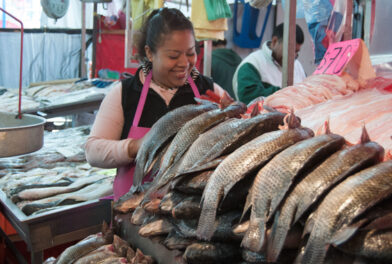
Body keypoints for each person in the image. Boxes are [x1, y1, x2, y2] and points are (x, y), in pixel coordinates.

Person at [85, 8, 227, 200]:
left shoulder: (209, 90)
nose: (185, 63)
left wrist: (233, 117)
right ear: (149, 53)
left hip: (190, 210)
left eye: (190, 53)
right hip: (133, 214)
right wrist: (137, 147)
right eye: (174, 56)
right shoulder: (125, 93)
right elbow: (93, 152)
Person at [232, 23, 306, 104]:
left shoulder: (298, 66)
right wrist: (286, 93)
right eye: (290, 51)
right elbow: (248, 97)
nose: (293, 56)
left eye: (296, 52)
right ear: (274, 41)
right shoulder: (252, 64)